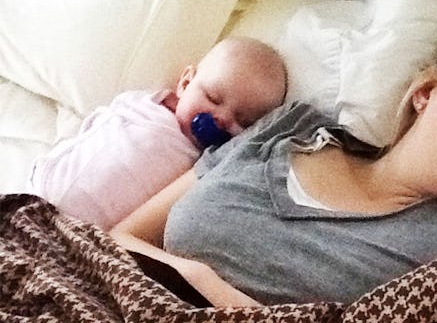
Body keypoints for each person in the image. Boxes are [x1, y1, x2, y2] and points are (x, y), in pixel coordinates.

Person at [110, 2, 437, 307]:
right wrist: (193, 277)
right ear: (427, 91)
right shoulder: (285, 130)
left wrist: (208, 290)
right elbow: (120, 240)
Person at [28, 36, 287, 230]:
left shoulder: (206, 165)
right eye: (213, 98)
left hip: (87, 234)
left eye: (243, 121)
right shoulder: (141, 104)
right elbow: (94, 127)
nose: (222, 119)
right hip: (40, 191)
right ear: (186, 83)